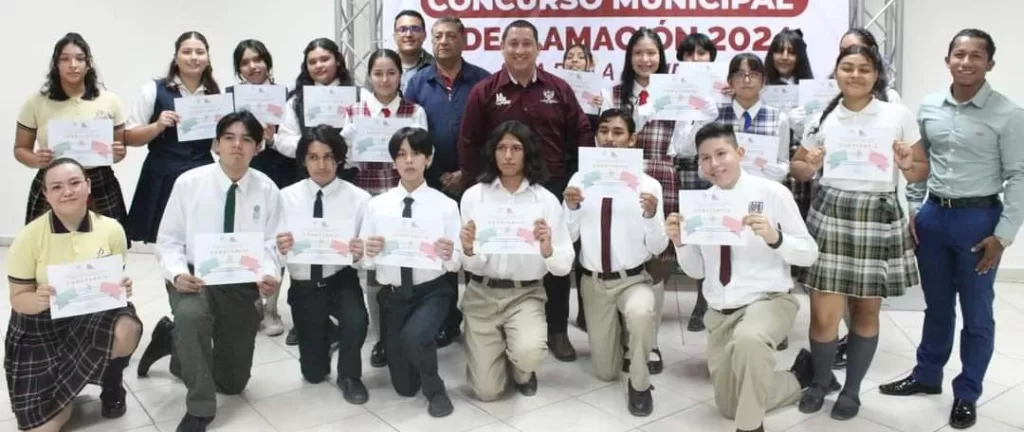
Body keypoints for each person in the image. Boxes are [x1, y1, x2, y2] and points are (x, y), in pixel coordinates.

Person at [880, 29, 1024, 430]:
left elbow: (1019, 176)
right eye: (959, 54)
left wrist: (1004, 234)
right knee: (937, 306)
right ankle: (927, 375)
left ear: (989, 64)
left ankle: (967, 392)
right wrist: (915, 206)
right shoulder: (929, 107)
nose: (966, 62)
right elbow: (919, 161)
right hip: (933, 219)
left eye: (976, 56)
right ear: (948, 60)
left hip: (979, 222)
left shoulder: (1009, 114)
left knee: (977, 314)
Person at [790, 45, 929, 420]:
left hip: (877, 216)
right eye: (847, 68)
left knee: (866, 312)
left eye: (864, 69)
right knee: (823, 315)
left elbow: (920, 169)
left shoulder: (897, 114)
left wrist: (906, 163)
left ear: (876, 75)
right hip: (831, 213)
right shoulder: (823, 116)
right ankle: (820, 382)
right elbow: (797, 168)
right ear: (836, 72)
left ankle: (852, 391)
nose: (855, 75)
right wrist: (809, 164)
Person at [668, 122, 825, 432]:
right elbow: (697, 272)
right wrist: (680, 243)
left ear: (740, 152)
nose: (714, 164)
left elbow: (809, 253)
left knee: (749, 340)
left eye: (721, 154)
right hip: (721, 312)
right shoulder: (701, 206)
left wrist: (775, 238)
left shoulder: (772, 194)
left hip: (768, 301)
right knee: (729, 406)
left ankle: (751, 427)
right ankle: (799, 377)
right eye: (705, 158)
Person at [135, 111, 284, 432]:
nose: (237, 145)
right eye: (229, 138)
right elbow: (169, 241)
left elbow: (271, 244)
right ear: (216, 143)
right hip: (194, 278)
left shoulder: (268, 189)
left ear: (258, 147)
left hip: (240, 280)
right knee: (192, 318)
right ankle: (200, 408)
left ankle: (174, 343)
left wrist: (269, 274)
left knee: (233, 383)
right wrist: (177, 274)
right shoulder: (189, 183)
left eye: (246, 139)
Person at [458, 19, 593, 362]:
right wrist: (481, 185)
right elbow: (469, 141)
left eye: (526, 44)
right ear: (502, 48)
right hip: (501, 190)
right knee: (506, 256)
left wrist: (574, 183)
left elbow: (581, 136)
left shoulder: (558, 89)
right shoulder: (485, 92)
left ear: (538, 48)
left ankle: (557, 329)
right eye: (513, 44)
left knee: (552, 255)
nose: (520, 50)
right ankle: (500, 325)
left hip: (551, 188)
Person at [605, 28, 714, 371]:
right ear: (629, 57)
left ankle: (648, 342)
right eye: (638, 53)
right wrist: (641, 113)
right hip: (621, 176)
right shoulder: (615, 93)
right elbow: (605, 138)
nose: (645, 59)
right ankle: (623, 334)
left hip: (663, 175)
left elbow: (684, 145)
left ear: (661, 57)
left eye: (651, 53)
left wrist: (700, 109)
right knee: (624, 253)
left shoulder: (674, 91)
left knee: (659, 261)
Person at [5, 158, 141, 431]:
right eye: (56, 187)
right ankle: (69, 390)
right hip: (41, 325)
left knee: (127, 327)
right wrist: (38, 299)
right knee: (43, 427)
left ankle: (111, 383)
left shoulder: (111, 229)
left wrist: (121, 286)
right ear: (46, 194)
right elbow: (18, 299)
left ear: (88, 185)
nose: (67, 192)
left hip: (92, 314)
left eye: (75, 183)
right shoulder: (28, 237)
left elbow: (111, 281)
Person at [459, 120, 573, 402]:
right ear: (492, 152)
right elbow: (468, 265)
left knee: (528, 354)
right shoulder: (474, 196)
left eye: (516, 148)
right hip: (482, 294)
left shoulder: (545, 200)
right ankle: (496, 352)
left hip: (526, 294)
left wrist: (548, 249)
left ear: (528, 152)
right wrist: (469, 249)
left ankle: (523, 370)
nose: (508, 155)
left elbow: (563, 266)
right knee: (487, 392)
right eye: (501, 148)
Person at [564, 109, 667, 416]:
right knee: (605, 372)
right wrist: (571, 208)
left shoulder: (648, 186)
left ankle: (640, 383)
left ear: (632, 139)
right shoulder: (580, 180)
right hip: (594, 282)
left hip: (633, 279)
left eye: (618, 132)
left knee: (641, 313)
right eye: (604, 130)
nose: (609, 138)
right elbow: (567, 237)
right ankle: (623, 341)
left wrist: (651, 215)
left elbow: (658, 246)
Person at [360, 127, 461, 417]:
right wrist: (370, 250)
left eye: (416, 154)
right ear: (393, 161)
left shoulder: (446, 206)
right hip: (393, 296)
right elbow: (365, 262)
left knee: (415, 336)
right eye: (401, 154)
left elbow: (456, 262)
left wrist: (448, 254)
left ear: (428, 159)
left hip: (432, 292)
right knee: (404, 387)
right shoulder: (377, 206)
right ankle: (416, 356)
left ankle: (435, 389)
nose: (408, 160)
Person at [404, 16, 491, 349]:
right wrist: (434, 173)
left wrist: (467, 173)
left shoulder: (483, 80)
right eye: (438, 36)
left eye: (450, 36)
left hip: (476, 182)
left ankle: (480, 319)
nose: (443, 41)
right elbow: (411, 133)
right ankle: (445, 320)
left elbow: (490, 133)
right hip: (432, 182)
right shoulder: (417, 82)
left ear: (463, 40)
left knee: (474, 248)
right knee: (441, 251)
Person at [342, 48, 429, 367]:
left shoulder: (414, 111)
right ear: (369, 76)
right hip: (370, 195)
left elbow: (423, 154)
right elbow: (347, 160)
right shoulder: (354, 111)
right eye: (378, 73)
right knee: (375, 268)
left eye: (391, 72)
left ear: (400, 76)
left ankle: (410, 333)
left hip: (406, 194)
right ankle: (381, 338)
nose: (384, 79)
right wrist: (353, 144)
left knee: (407, 260)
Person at [276, 125, 371, 404]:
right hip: (304, 284)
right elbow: (271, 248)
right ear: (303, 160)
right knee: (314, 374)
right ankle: (326, 337)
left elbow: (367, 255)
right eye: (313, 157)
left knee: (357, 321)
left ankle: (349, 375)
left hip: (340, 279)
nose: (322, 165)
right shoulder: (284, 198)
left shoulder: (360, 199)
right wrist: (280, 249)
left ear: (339, 159)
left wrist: (359, 253)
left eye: (329, 156)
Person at [827, 27, 903, 369]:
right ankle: (838, 343)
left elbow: (909, 157)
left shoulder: (892, 104)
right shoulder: (828, 101)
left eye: (861, 51)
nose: (854, 61)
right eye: (846, 52)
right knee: (832, 289)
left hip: (873, 203)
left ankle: (854, 346)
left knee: (866, 294)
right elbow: (807, 145)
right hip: (834, 200)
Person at [271, 37, 355, 346]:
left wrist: (336, 147)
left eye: (325, 59)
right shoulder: (296, 101)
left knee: (339, 245)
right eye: (313, 61)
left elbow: (362, 134)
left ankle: (340, 313)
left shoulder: (356, 96)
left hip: (344, 175)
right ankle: (303, 317)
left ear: (338, 61)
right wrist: (312, 147)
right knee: (304, 246)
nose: (320, 65)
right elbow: (283, 139)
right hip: (306, 176)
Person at [15, 32, 130, 232]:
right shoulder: (36, 102)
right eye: (65, 59)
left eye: (79, 58)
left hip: (99, 182)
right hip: (54, 180)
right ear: (56, 64)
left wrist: (118, 153)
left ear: (88, 63)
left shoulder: (110, 101)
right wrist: (36, 159)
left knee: (106, 243)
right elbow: (20, 148)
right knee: (49, 242)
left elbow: (118, 151)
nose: (73, 65)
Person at [125, 31, 221, 245]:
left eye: (200, 52)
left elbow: (218, 149)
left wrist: (222, 134)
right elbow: (129, 137)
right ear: (175, 57)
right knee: (161, 241)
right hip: (162, 174)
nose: (193, 57)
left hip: (203, 173)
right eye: (186, 52)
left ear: (207, 59)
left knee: (202, 241)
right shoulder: (153, 90)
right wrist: (157, 126)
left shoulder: (216, 95)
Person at [226, 38, 295, 337]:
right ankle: (251, 305)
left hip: (280, 170)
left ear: (267, 62)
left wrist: (273, 135)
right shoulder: (229, 98)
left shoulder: (286, 96)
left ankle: (272, 308)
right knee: (246, 238)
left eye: (257, 59)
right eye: (245, 62)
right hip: (241, 173)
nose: (253, 66)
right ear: (238, 69)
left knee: (276, 240)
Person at [674, 32, 721, 334]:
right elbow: (678, 144)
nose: (695, 59)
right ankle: (702, 297)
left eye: (701, 53)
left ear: (711, 58)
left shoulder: (723, 91)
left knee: (714, 233)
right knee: (691, 235)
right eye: (689, 54)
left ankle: (710, 301)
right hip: (681, 171)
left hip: (712, 170)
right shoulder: (673, 92)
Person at [764, 28, 816, 224]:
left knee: (795, 221)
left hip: (798, 163)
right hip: (768, 161)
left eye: (791, 52)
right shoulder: (759, 88)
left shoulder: (812, 91)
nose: (784, 57)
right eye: (779, 51)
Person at [394, 10, 434, 90]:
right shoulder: (381, 67)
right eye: (402, 29)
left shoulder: (436, 68)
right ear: (394, 35)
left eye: (415, 29)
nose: (408, 34)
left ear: (424, 35)